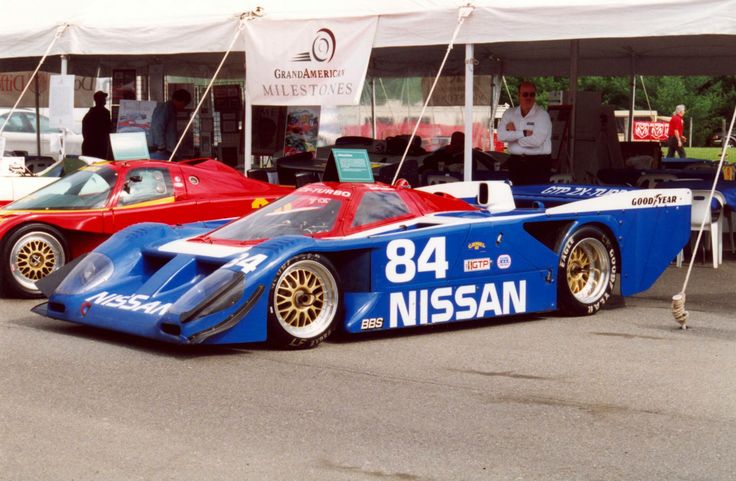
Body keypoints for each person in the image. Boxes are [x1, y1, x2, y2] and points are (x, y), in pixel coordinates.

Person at [497, 81, 552, 185]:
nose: (529, 97)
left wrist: (513, 134)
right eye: (525, 94)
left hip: (538, 164)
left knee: (534, 198)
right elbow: (501, 136)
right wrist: (522, 133)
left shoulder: (542, 115)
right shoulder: (509, 113)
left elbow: (536, 142)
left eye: (532, 94)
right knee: (515, 196)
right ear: (518, 95)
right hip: (515, 163)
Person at [150, 89, 192, 160]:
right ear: (181, 101)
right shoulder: (165, 108)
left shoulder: (171, 109)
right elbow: (157, 126)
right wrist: (161, 147)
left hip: (168, 150)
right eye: (184, 105)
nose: (183, 108)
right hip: (162, 150)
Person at [81, 91, 112, 159]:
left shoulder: (89, 114)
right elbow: (109, 130)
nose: (105, 100)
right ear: (100, 100)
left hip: (89, 147)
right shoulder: (105, 113)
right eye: (103, 98)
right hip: (99, 148)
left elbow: (84, 131)